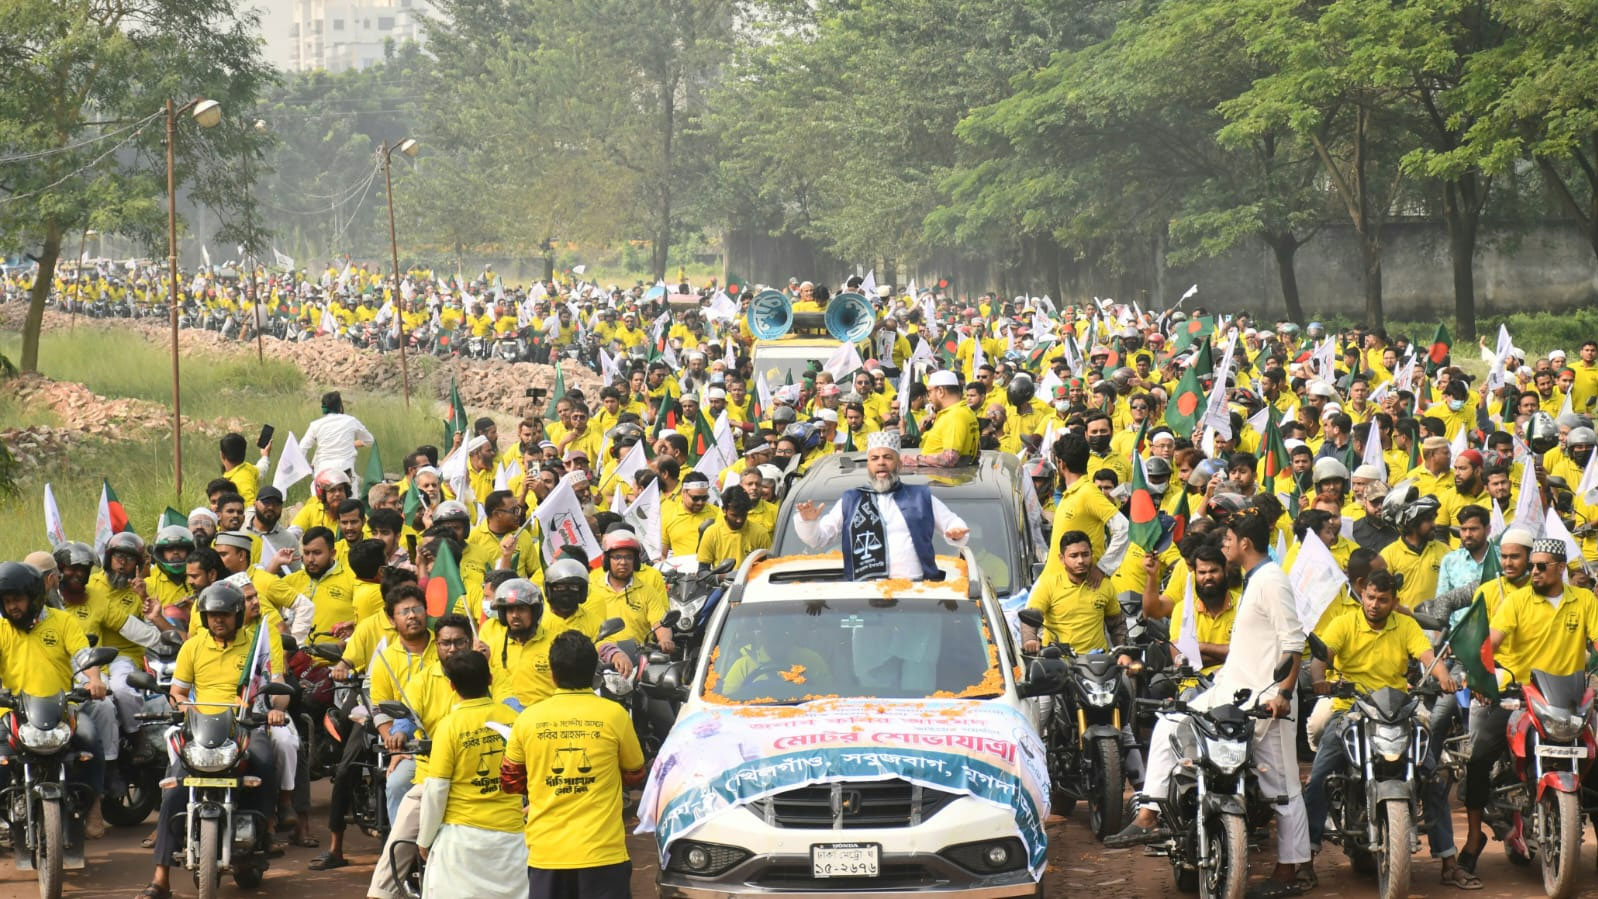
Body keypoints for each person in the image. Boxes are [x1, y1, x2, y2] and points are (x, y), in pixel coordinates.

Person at [1108, 507, 1312, 898]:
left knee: (1282, 789)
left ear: (1245, 543)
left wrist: (1283, 694)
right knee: (1170, 723)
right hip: (1231, 691)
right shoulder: (1255, 579)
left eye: (1229, 540)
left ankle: (1290, 872)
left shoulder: (1271, 580)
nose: (1224, 545)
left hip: (1266, 702)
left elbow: (1294, 643)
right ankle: (1149, 813)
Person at [1301, 570, 1471, 888]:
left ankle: (1449, 862)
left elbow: (1427, 655)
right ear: (1362, 594)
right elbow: (1321, 657)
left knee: (1433, 777)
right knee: (1320, 778)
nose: (1375, 605)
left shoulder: (1404, 624)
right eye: (1370, 597)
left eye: (1383, 599)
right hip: (1350, 709)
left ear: (1394, 601)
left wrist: (1442, 675)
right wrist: (1319, 680)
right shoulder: (1344, 623)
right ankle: (1305, 860)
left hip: (1396, 710)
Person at [1460, 538, 1598, 877]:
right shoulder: (1517, 601)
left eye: (1540, 566)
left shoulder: (1584, 600)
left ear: (1561, 568)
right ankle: (1474, 839)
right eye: (1531, 565)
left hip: (1569, 700)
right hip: (1519, 696)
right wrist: (1483, 680)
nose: (1532, 571)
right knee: (1478, 761)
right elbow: (1488, 645)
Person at [142, 583, 282, 899]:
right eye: (212, 615)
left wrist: (271, 711)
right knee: (174, 787)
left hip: (244, 726)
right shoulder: (192, 647)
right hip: (201, 730)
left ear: (237, 614)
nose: (218, 620)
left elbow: (271, 686)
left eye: (224, 614)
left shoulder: (256, 645)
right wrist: (180, 707)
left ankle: (267, 829)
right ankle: (160, 877)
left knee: (264, 760)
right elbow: (177, 693)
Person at [501, 631, 646, 899]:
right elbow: (635, 773)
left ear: (553, 675)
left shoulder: (528, 719)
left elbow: (510, 782)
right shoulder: (614, 715)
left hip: (547, 856)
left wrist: (544, 786)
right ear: (594, 672)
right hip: (603, 854)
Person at [365, 611, 476, 899]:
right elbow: (407, 715)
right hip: (429, 776)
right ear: (436, 645)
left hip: (477, 780)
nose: (452, 649)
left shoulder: (489, 673)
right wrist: (399, 733)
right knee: (398, 843)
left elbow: (510, 707)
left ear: (472, 641)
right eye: (445, 643)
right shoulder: (424, 678)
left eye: (459, 643)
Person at [0, 561, 109, 837]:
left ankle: (94, 806)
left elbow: (83, 656)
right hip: (13, 711)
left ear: (35, 597)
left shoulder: (63, 622)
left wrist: (94, 679)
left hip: (61, 710)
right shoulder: (2, 629)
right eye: (7, 601)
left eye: (18, 600)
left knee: (91, 737)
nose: (12, 606)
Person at [416, 651, 526, 899]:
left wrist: (424, 839)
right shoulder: (514, 719)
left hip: (461, 842)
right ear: (490, 680)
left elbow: (436, 790)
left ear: (452, 686)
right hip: (510, 839)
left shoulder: (449, 726)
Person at [794, 430, 969, 580]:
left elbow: (952, 523)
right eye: (875, 458)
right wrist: (809, 523)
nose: (881, 462)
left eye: (887, 457)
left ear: (899, 464)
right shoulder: (851, 499)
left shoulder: (921, 496)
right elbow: (819, 539)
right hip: (866, 593)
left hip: (916, 592)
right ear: (868, 465)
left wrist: (956, 532)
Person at [299, 390, 374, 488]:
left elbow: (301, 449)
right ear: (340, 406)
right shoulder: (351, 421)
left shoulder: (315, 425)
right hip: (346, 472)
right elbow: (369, 440)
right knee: (350, 500)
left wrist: (307, 467)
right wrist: (351, 443)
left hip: (323, 472)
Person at [696, 485, 772, 570]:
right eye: (734, 515)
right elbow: (702, 571)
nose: (739, 520)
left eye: (743, 515)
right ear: (724, 510)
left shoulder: (760, 533)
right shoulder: (711, 533)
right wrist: (719, 578)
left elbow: (769, 567)